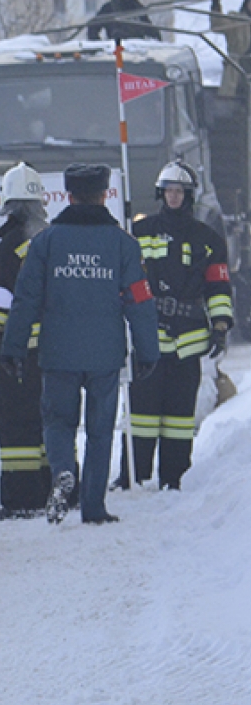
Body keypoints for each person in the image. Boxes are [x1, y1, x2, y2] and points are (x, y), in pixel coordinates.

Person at [0, 163, 159, 525]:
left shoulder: (46, 242)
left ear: (68, 197)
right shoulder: (123, 244)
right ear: (104, 196)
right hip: (105, 353)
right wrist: (148, 351)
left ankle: (61, 472)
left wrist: (13, 348)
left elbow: (25, 300)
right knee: (100, 430)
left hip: (58, 351)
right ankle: (94, 507)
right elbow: (140, 300)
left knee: (57, 422)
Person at [125, 161, 234, 490]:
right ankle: (134, 475)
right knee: (141, 414)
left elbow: (218, 287)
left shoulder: (208, 238)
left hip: (189, 337)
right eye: (168, 191)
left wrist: (221, 324)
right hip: (149, 336)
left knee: (179, 416)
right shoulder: (139, 233)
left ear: (189, 195)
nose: (173, 197)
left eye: (179, 191)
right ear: (161, 193)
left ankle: (175, 477)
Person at [0, 163, 52, 518]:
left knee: (17, 426)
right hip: (53, 354)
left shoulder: (9, 249)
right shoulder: (51, 241)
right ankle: (54, 491)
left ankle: (20, 499)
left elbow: (0, 300)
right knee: (49, 422)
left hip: (19, 355)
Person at [87, 0, 161, 42]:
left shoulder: (137, 6)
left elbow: (148, 26)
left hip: (137, 47)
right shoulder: (109, 7)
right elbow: (93, 26)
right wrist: (99, 46)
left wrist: (157, 39)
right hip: (117, 48)